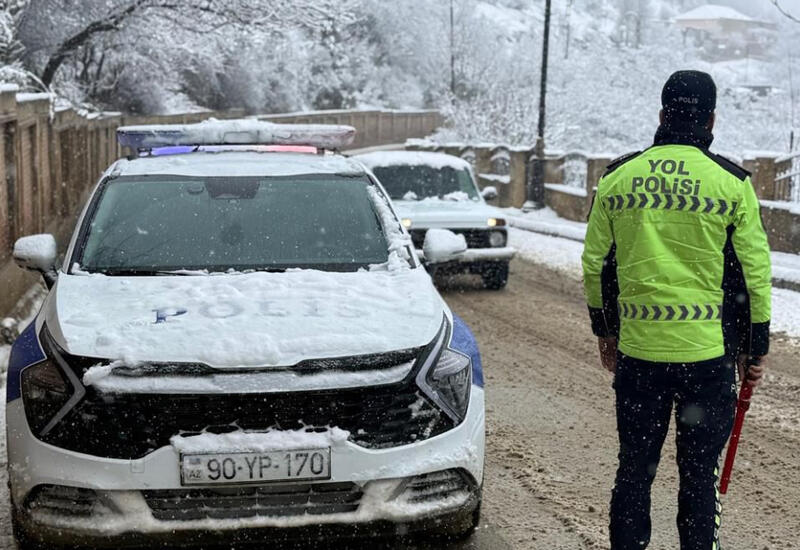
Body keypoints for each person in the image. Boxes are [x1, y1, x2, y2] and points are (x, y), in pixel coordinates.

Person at [581, 70, 772, 550]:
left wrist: (606, 331)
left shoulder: (618, 176)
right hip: (706, 363)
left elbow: (595, 263)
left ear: (663, 114)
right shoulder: (732, 183)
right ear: (711, 119)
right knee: (699, 480)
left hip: (640, 358)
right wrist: (755, 348)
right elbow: (754, 273)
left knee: (634, 472)